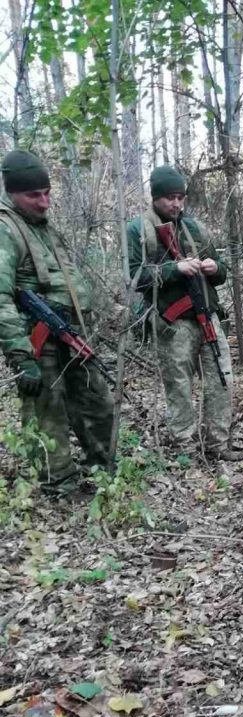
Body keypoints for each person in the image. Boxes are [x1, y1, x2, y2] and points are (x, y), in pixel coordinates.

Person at [0, 149, 114, 497]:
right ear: (12, 193)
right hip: (37, 341)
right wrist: (21, 354)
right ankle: (58, 483)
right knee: (47, 414)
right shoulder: (6, 229)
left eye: (47, 193)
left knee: (97, 399)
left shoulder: (41, 227)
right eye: (34, 195)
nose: (44, 202)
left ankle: (105, 467)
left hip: (70, 333)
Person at [127, 165, 240, 460]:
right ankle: (186, 449)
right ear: (155, 198)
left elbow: (221, 270)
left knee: (221, 378)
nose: (176, 204)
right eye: (169, 198)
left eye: (180, 197)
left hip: (207, 315)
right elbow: (136, 278)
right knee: (178, 387)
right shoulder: (139, 230)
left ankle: (219, 444)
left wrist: (215, 269)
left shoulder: (194, 228)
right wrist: (174, 269)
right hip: (173, 323)